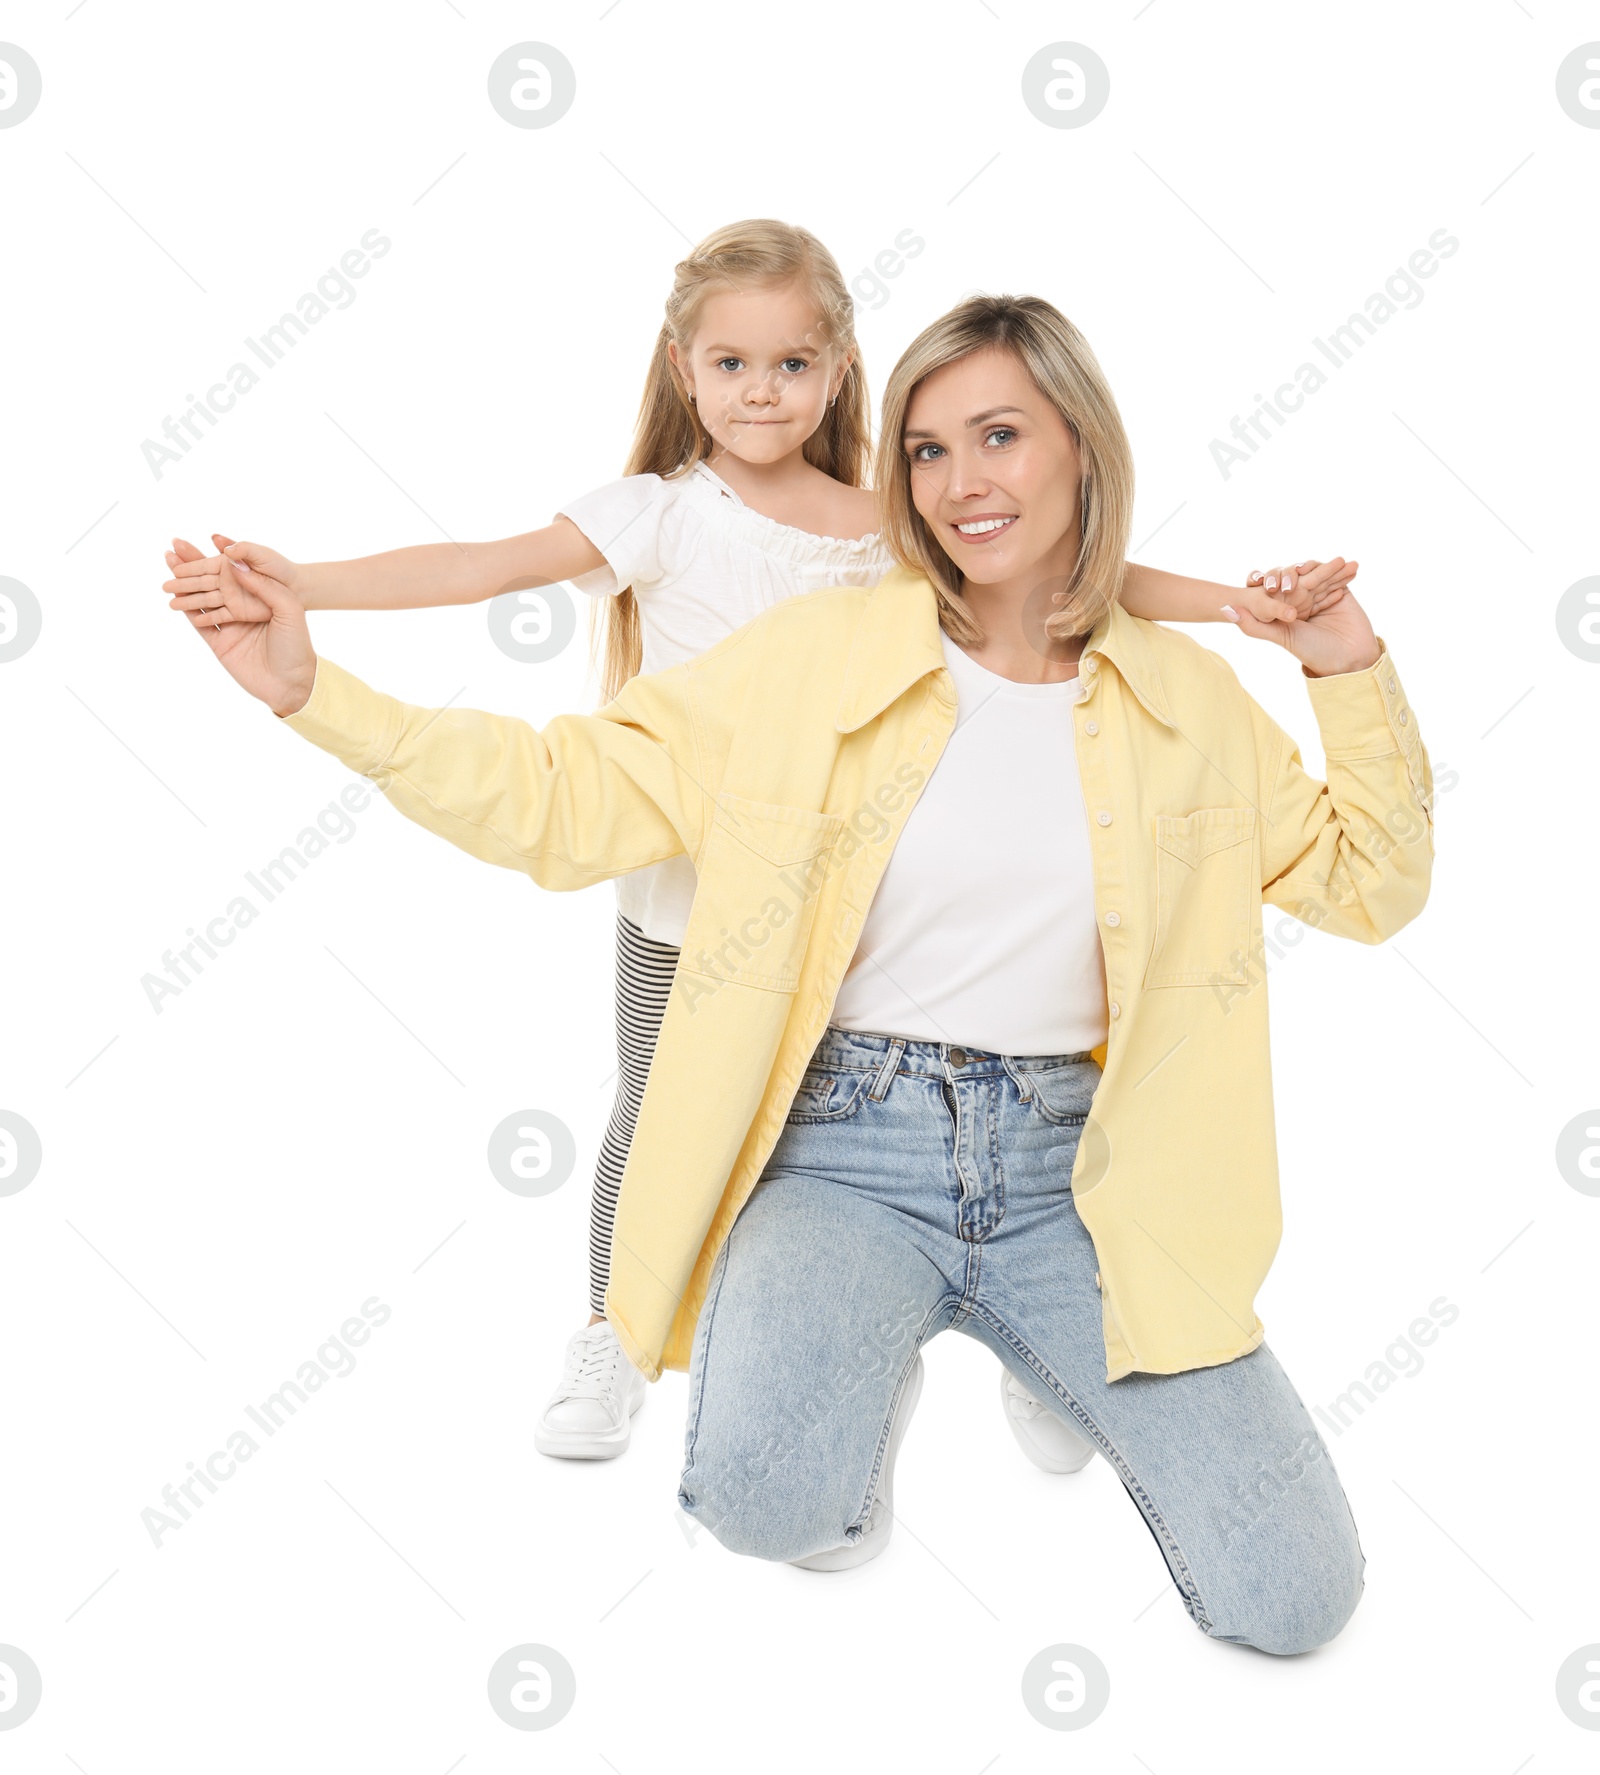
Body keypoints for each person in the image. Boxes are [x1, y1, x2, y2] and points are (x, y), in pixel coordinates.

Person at [167, 292, 1434, 1653]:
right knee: (766, 1498)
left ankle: (1039, 1362)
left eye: (999, 436)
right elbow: (555, 797)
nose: (961, 483)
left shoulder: (1189, 702)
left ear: (1081, 448)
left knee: (1298, 1606)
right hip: (844, 1151)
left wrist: (1347, 669)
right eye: (929, 450)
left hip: (1087, 1175)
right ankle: (859, 1373)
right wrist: (314, 695)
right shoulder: (812, 661)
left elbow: (1370, 885)